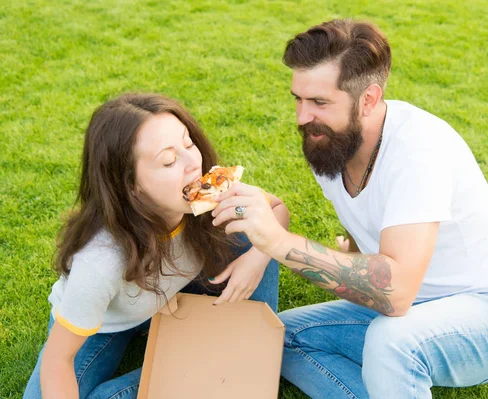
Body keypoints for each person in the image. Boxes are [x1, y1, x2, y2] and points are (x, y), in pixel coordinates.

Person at [212, 19, 488, 399]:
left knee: (392, 341)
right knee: (277, 337)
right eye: (298, 99)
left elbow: (396, 292)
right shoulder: (329, 140)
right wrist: (356, 256)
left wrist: (275, 242)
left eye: (320, 102)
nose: (302, 117)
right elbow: (370, 221)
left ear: (369, 99)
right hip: (415, 309)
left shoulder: (419, 150)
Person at [23, 93, 290, 399]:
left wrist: (256, 259)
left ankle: (243, 346)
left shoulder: (210, 193)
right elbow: (59, 360)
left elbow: (277, 210)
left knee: (252, 225)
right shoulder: (101, 263)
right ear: (131, 185)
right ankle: (202, 368)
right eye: (168, 160)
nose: (193, 163)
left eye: (188, 143)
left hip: (170, 290)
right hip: (106, 323)